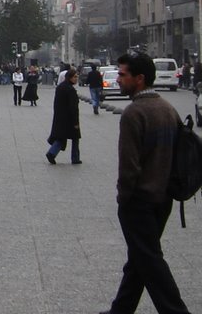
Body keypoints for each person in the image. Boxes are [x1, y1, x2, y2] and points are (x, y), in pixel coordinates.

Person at [99, 51, 191, 314]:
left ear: (139, 79)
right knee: (139, 257)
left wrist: (123, 198)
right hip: (163, 199)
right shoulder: (167, 108)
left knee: (149, 259)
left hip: (139, 201)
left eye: (122, 74)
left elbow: (129, 167)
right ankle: (121, 309)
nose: (118, 79)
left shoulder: (134, 113)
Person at [47, 66, 81, 165]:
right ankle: (75, 158)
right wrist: (75, 122)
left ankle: (52, 153)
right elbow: (73, 107)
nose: (76, 78)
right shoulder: (70, 90)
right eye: (74, 77)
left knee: (61, 137)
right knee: (75, 138)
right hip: (69, 118)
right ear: (69, 77)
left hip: (60, 117)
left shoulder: (60, 87)